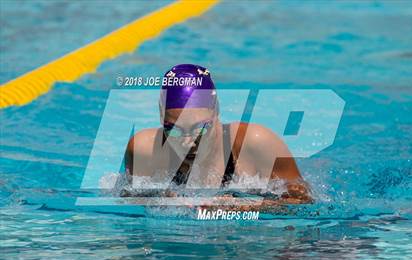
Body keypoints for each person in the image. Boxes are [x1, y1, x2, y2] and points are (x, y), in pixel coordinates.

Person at [124, 64, 312, 208]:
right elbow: (127, 204)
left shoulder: (254, 143)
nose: (188, 142)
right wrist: (157, 200)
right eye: (174, 130)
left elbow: (304, 204)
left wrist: (241, 207)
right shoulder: (143, 151)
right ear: (160, 116)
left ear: (216, 112)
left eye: (200, 128)